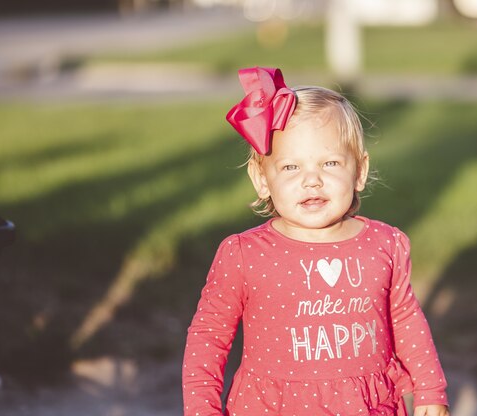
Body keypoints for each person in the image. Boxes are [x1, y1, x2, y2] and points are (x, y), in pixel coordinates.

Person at [182, 67, 449, 416]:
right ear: (261, 178)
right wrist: (202, 408)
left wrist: (430, 391)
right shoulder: (245, 255)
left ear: (360, 171)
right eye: (291, 167)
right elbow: (208, 336)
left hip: (368, 406)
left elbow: (406, 320)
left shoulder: (384, 245)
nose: (312, 181)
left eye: (330, 163)